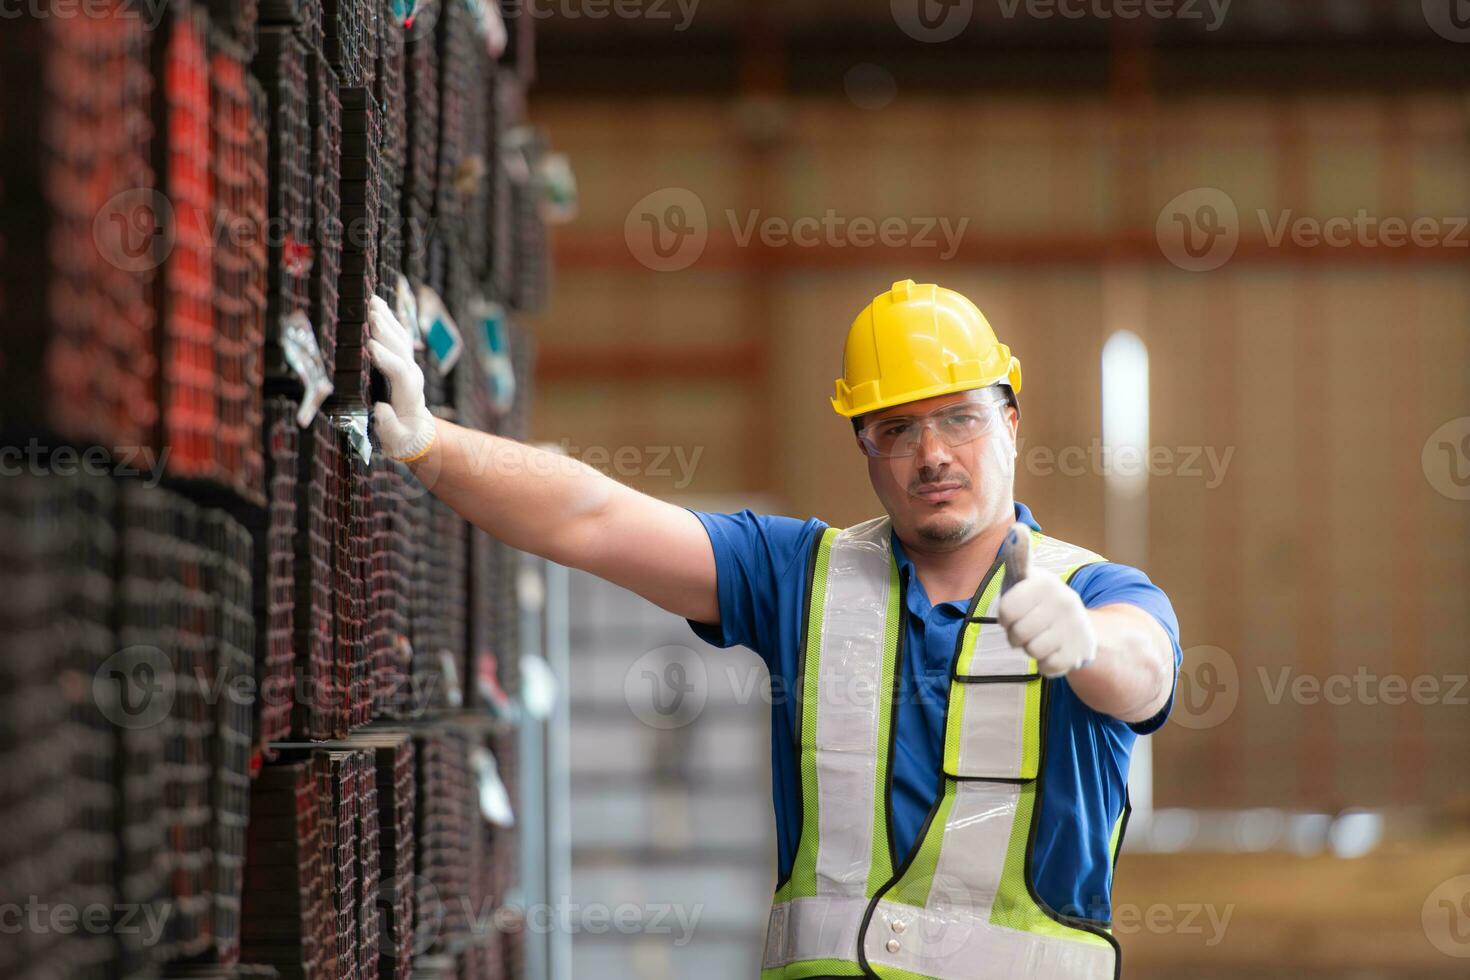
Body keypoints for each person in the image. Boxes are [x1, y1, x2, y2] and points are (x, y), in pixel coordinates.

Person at [365, 279, 1180, 979]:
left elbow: (1142, 669)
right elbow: (595, 518)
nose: (931, 453)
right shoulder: (800, 575)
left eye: (959, 418)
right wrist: (431, 444)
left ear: (1010, 420)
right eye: (895, 428)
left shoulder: (1093, 593)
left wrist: (1086, 644)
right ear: (863, 444)